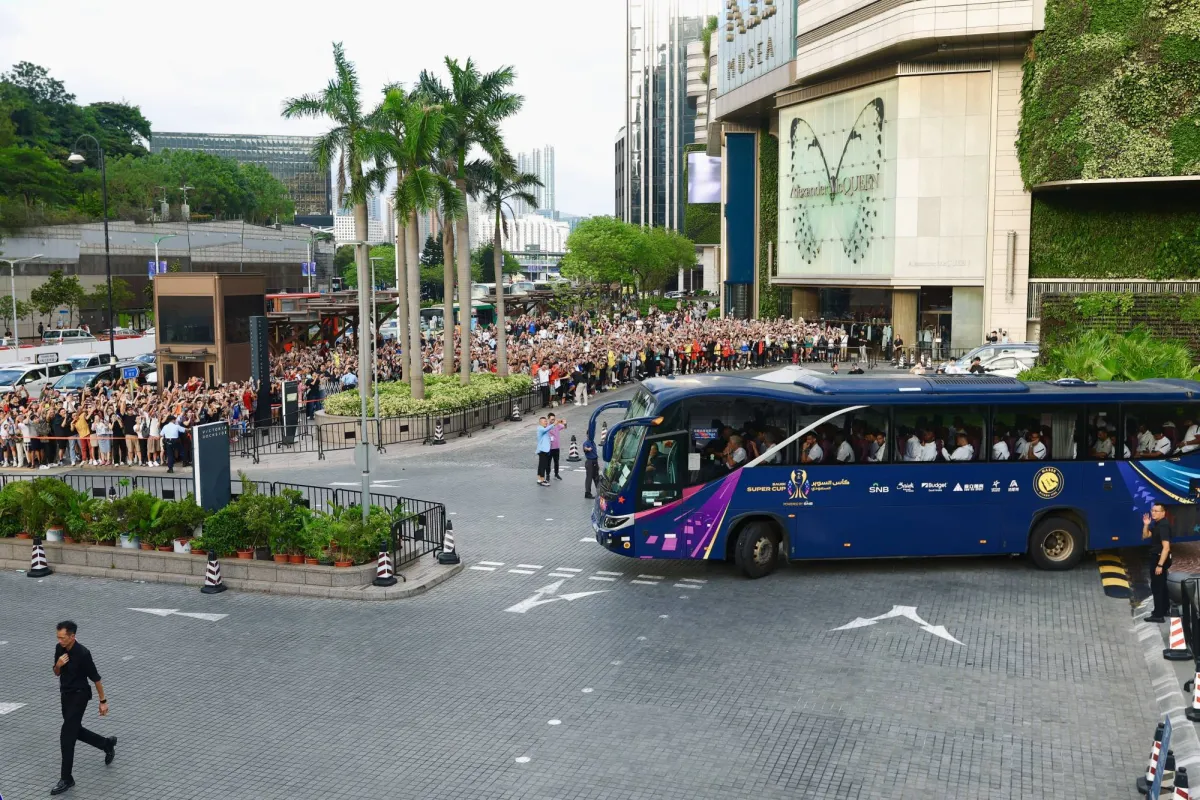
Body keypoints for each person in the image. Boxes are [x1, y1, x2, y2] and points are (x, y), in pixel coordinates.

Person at [51, 620, 116, 796]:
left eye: (63, 637)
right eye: (58, 637)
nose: (60, 640)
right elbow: (56, 672)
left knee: (67, 736)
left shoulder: (83, 653)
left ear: (72, 636)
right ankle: (106, 744)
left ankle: (67, 778)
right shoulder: (59, 649)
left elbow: (96, 679)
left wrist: (103, 701)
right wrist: (58, 664)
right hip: (65, 695)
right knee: (75, 730)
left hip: (80, 696)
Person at [1144, 503, 1173, 623]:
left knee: (1157, 587)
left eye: (1156, 511)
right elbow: (1145, 536)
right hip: (1158, 559)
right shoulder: (1158, 524)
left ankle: (1158, 615)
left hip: (1158, 559)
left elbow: (1166, 547)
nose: (1153, 513)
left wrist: (1159, 565)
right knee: (1162, 585)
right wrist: (1146, 525)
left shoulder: (1163, 526)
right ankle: (1164, 609)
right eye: (1153, 510)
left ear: (1163, 513)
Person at [547, 412, 565, 481]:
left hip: (556, 447)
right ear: (548, 419)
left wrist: (564, 422)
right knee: (548, 462)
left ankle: (556, 474)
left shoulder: (557, 425)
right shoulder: (547, 426)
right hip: (549, 448)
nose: (553, 421)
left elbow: (564, 426)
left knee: (556, 462)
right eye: (551, 419)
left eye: (554, 419)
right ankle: (547, 475)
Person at [535, 416, 552, 487]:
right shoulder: (540, 429)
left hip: (544, 450)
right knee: (543, 465)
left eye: (546, 421)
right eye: (544, 421)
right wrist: (553, 424)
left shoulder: (544, 428)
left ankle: (539, 478)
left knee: (540, 465)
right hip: (542, 450)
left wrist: (557, 423)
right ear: (540, 423)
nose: (546, 422)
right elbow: (547, 429)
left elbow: (550, 428)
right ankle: (542, 480)